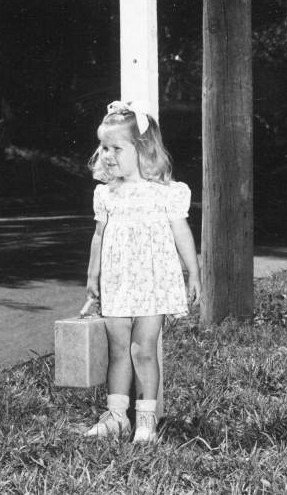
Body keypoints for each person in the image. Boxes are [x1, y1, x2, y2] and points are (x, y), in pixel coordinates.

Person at [83, 99, 201, 443]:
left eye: (116, 147)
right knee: (118, 351)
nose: (106, 154)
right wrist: (93, 278)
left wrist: (192, 272)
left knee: (143, 350)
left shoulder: (165, 193)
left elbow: (181, 233)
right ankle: (117, 416)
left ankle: (146, 419)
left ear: (142, 149)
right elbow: (98, 237)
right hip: (117, 282)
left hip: (152, 282)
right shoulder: (107, 194)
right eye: (103, 147)